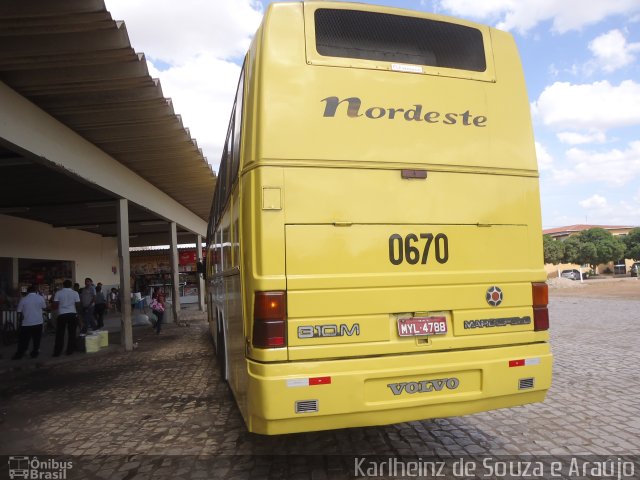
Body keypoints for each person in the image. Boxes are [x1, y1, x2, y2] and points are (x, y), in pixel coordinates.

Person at [12, 285, 46, 359]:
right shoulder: (40, 298)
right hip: (38, 322)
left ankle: (20, 354)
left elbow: (19, 311)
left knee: (23, 340)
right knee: (36, 339)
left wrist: (21, 319)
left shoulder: (23, 299)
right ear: (35, 291)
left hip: (26, 323)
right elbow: (44, 307)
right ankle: (35, 353)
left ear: (27, 291)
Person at [52, 279, 81, 356]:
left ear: (63, 285)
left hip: (62, 314)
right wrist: (78, 314)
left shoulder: (58, 293)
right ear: (71, 285)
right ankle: (70, 351)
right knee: (72, 333)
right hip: (72, 314)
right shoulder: (75, 293)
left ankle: (57, 352)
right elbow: (78, 305)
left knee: (60, 334)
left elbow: (55, 305)